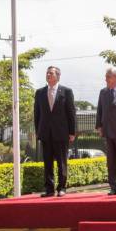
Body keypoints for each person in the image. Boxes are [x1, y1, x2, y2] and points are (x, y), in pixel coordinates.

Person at [33, 66, 76, 197]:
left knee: (61, 162)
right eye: (47, 73)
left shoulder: (66, 91)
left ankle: (62, 188)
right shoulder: (40, 92)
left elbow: (71, 112)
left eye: (51, 73)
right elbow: (37, 113)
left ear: (58, 76)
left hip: (61, 132)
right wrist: (37, 131)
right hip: (45, 132)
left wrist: (72, 132)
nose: (48, 75)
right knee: (47, 162)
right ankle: (49, 189)